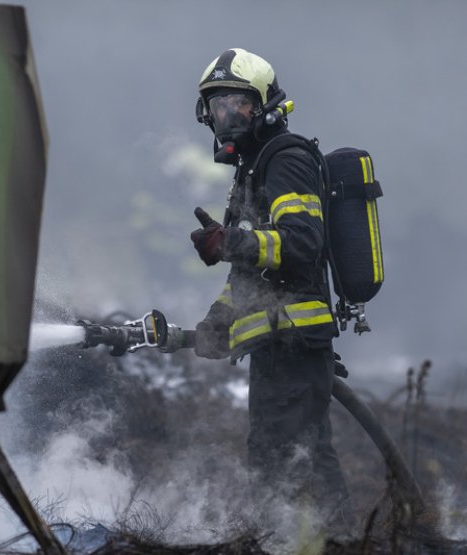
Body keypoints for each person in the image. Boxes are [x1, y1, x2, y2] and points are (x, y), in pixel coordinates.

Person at [189, 48, 350, 522]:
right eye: (218, 106)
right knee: (288, 462)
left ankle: (322, 544)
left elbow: (301, 243)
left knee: (292, 465)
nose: (226, 115)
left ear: (263, 106)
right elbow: (251, 277)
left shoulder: (287, 158)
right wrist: (218, 321)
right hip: (276, 345)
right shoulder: (254, 169)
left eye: (237, 102)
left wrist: (230, 241)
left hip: (294, 339)